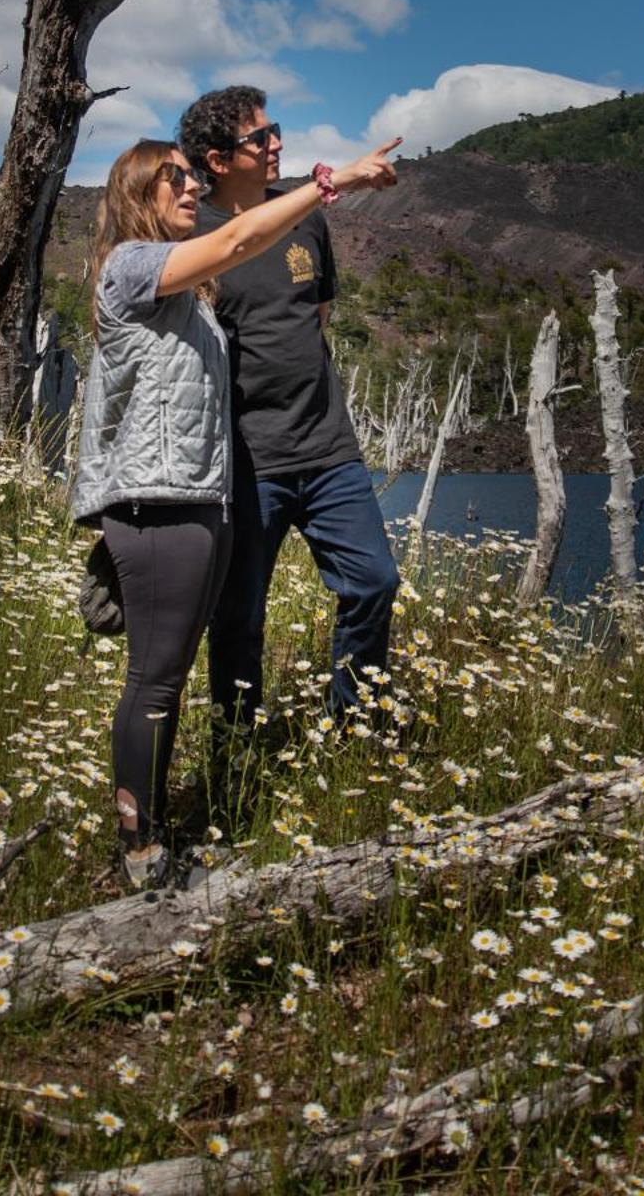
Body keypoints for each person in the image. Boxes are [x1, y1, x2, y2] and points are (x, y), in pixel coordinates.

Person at [69, 132, 400, 892]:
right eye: (173, 179)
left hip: (193, 497)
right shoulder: (133, 267)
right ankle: (143, 850)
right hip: (159, 502)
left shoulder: (186, 290)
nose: (189, 188)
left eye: (191, 177)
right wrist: (335, 180)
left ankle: (162, 834)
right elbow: (240, 234)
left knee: (170, 670)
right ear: (135, 196)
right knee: (156, 680)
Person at [177, 87, 402, 737]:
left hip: (329, 448)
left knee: (373, 583)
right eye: (261, 136)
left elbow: (317, 316)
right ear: (218, 160)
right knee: (239, 612)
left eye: (276, 129)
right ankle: (236, 742)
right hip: (247, 460)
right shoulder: (192, 233)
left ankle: (354, 724)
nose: (277, 142)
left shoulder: (305, 220)